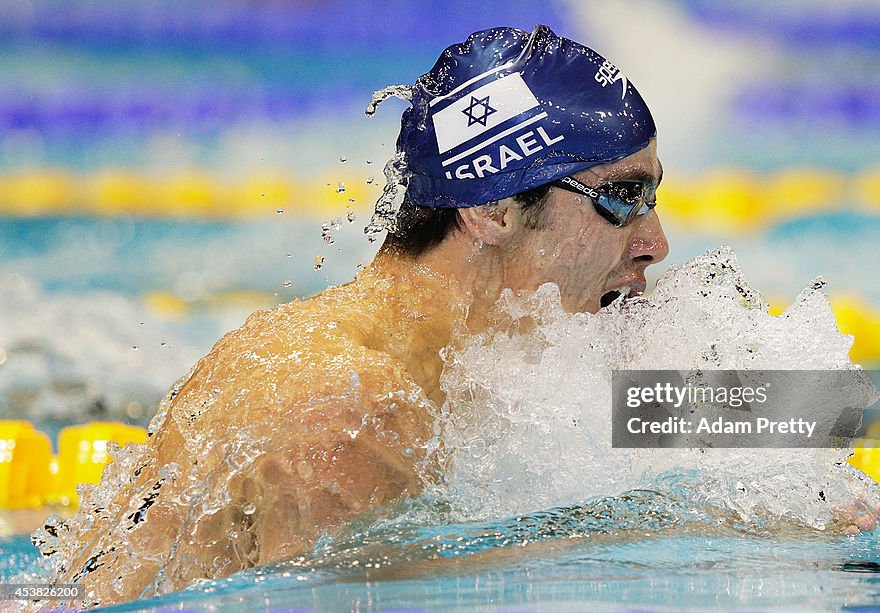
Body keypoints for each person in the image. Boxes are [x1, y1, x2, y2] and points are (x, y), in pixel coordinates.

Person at [42, 25, 672, 607]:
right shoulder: (349, 414)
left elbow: (724, 442)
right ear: (495, 211)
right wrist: (662, 531)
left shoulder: (458, 360)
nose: (655, 241)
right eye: (623, 198)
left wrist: (751, 409)